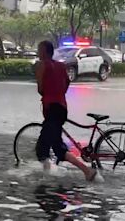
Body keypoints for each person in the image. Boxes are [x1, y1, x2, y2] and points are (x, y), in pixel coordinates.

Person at [35, 40, 97, 181]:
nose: (38, 53)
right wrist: (59, 93)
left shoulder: (42, 65)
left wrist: (48, 93)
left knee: (42, 148)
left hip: (51, 109)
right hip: (62, 108)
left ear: (44, 52)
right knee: (57, 146)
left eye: (39, 50)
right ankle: (83, 171)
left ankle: (49, 175)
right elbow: (67, 82)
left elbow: (40, 89)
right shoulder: (61, 65)